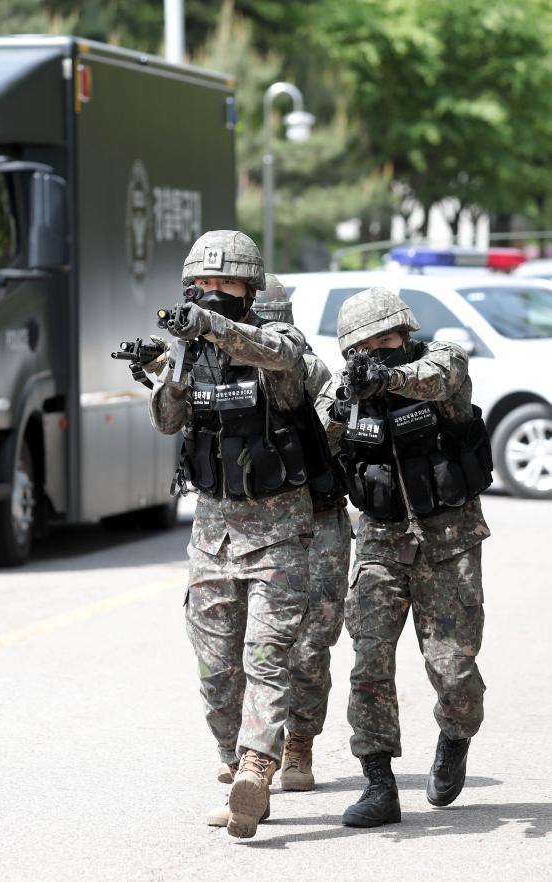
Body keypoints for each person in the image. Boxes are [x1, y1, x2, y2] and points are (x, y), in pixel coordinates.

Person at [149, 230, 329, 839]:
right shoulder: (192, 348)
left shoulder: (280, 343)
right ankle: (236, 770)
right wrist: (173, 360)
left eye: (224, 285)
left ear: (249, 288)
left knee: (266, 656)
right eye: (201, 286)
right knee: (215, 671)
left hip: (278, 535)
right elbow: (168, 419)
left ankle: (259, 763)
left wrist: (211, 326)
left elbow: (279, 360)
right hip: (212, 537)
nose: (211, 294)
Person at [315, 287, 492, 828]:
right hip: (380, 543)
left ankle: (455, 737)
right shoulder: (346, 391)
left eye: (386, 340)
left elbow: (442, 378)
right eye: (363, 346)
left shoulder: (442, 363)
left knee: (455, 670)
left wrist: (388, 379)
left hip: (449, 540)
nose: (377, 351)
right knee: (368, 663)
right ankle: (378, 783)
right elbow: (320, 444)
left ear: (405, 334)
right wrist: (341, 412)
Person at [252, 274, 351, 793]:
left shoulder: (310, 369)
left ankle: (300, 743)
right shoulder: (228, 365)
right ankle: (255, 752)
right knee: (262, 647)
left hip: (318, 521)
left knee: (311, 645)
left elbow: (330, 439)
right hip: (258, 527)